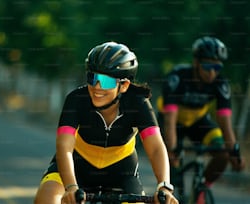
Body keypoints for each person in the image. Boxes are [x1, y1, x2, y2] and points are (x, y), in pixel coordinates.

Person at [34, 42, 178, 204]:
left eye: (106, 81)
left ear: (124, 85)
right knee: (47, 199)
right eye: (92, 77)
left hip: (121, 174)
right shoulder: (76, 99)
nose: (97, 87)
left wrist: (164, 186)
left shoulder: (139, 103)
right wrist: (70, 186)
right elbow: (64, 147)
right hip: (76, 167)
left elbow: (156, 147)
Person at [157, 36, 245, 203]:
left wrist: (234, 152)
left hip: (198, 121)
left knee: (223, 155)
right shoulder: (177, 77)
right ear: (196, 62)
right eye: (207, 66)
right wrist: (172, 149)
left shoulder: (220, 83)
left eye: (217, 66)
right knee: (170, 161)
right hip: (173, 123)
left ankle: (202, 189)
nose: (212, 72)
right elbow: (169, 120)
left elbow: (225, 121)